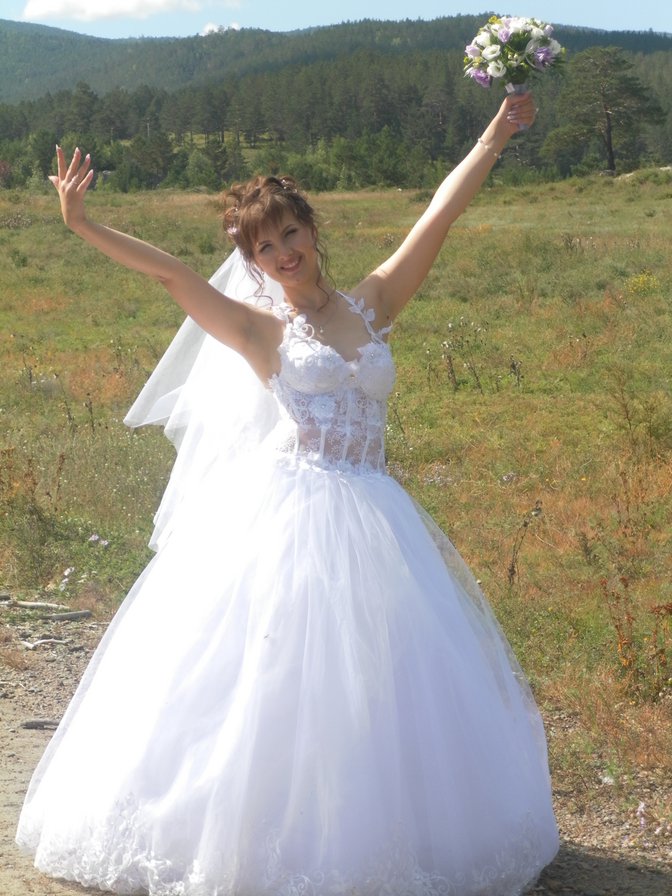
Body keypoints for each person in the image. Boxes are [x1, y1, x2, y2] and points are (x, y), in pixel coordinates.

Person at [16, 91, 559, 895]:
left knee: (380, 682)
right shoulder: (260, 330)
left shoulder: (374, 304)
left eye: (289, 234)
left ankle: (376, 835)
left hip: (375, 516)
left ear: (311, 229)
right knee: (276, 681)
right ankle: (266, 841)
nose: (281, 253)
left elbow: (439, 216)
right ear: (254, 259)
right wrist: (81, 223)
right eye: (263, 246)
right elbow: (170, 274)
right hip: (288, 515)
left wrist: (496, 132)